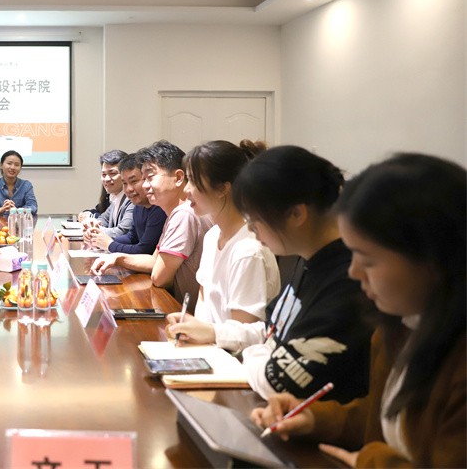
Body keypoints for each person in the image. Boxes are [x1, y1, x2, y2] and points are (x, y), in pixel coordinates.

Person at [250, 153, 466, 468]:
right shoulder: (399, 326)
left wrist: (372, 460)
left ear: (431, 258)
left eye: (368, 260)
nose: (353, 272)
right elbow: (384, 416)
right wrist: (312, 417)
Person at [225, 145, 373, 404]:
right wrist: (217, 334)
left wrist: (254, 355)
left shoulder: (348, 278)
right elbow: (275, 331)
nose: (253, 233)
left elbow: (281, 382)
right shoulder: (307, 258)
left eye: (255, 222)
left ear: (296, 214)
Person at [166, 140, 280, 344]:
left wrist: (206, 333)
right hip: (209, 351)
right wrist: (191, 329)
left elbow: (242, 335)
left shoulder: (248, 249)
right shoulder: (212, 236)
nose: (186, 189)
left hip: (234, 358)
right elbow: (204, 305)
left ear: (222, 188)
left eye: (193, 181)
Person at [91, 140, 210, 313]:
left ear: (178, 178)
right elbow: (154, 260)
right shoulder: (175, 213)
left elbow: (159, 277)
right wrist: (117, 258)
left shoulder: (183, 214)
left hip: (188, 316)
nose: (145, 185)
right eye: (144, 179)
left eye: (150, 177)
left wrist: (113, 248)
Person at [86, 152, 166, 255]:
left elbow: (145, 249)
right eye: (124, 183)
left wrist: (110, 244)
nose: (129, 189)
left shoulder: (159, 208)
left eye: (134, 181)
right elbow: (131, 237)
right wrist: (98, 240)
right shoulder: (139, 206)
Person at [82, 149, 135, 241]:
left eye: (112, 173)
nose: (106, 179)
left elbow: (122, 232)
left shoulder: (132, 199)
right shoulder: (115, 197)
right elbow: (103, 219)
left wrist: (92, 231)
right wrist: (92, 224)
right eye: (103, 174)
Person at [0, 150, 38, 215]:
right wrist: (1, 210)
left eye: (16, 165)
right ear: (1, 165)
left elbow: (33, 207)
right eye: (9, 163)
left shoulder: (26, 185)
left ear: (20, 168)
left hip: (18, 221)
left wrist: (17, 210)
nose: (12, 167)